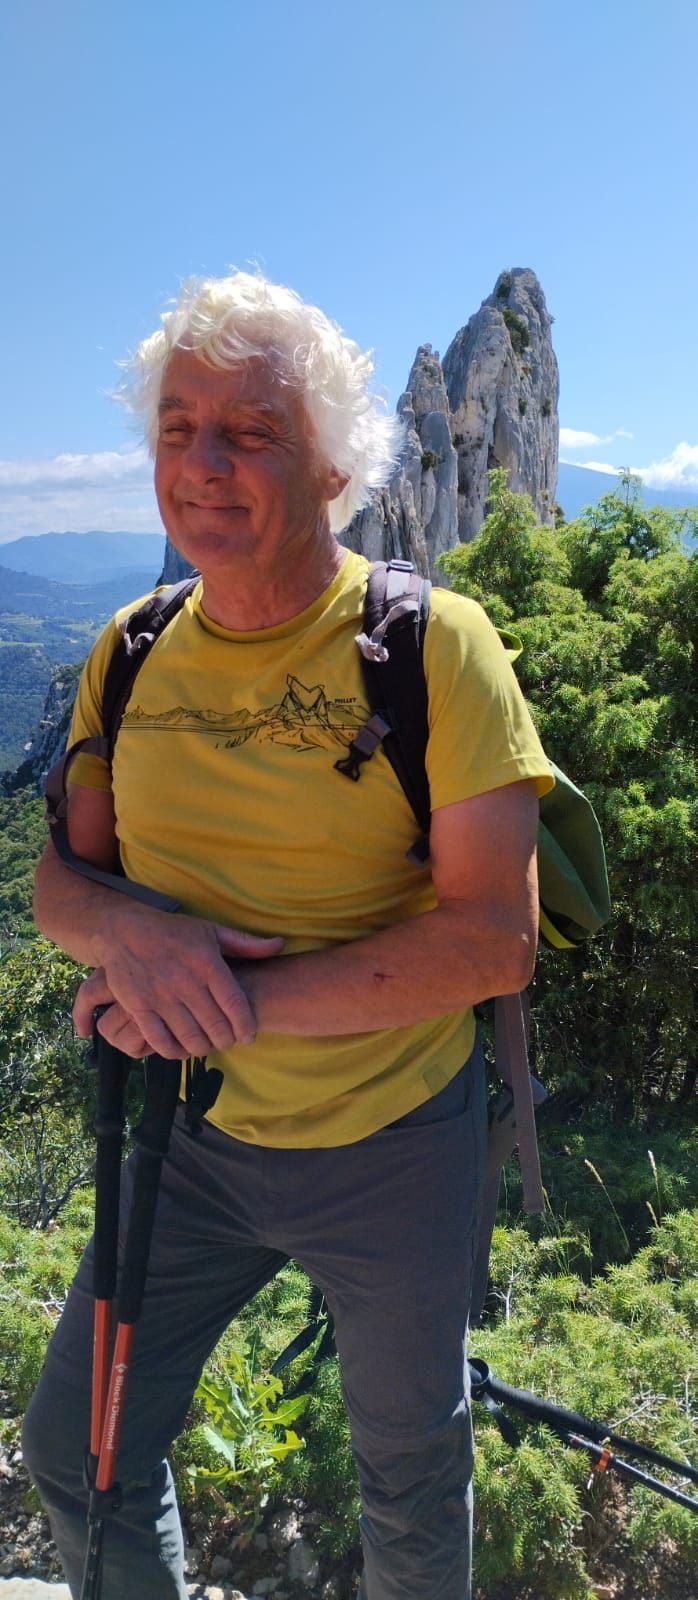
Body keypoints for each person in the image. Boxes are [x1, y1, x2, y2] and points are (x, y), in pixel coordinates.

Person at [23, 270, 552, 1599]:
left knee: (409, 1482)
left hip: (393, 1144)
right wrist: (130, 941)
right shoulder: (128, 651)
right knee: (78, 1452)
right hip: (183, 1139)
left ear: (331, 469)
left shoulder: (436, 648)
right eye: (178, 429)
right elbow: (61, 885)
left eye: (250, 433)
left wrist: (221, 999)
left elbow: (495, 940)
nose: (202, 463)